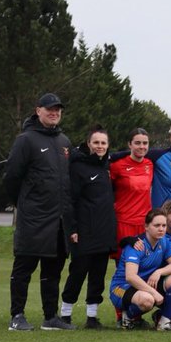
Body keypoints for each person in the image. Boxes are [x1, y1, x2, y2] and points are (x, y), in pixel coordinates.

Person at [4, 93, 72, 331]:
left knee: (53, 271)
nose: (54, 112)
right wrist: (25, 204)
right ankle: (17, 316)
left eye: (58, 109)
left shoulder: (64, 141)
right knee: (24, 269)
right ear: (38, 111)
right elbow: (11, 178)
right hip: (33, 219)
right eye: (49, 109)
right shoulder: (26, 140)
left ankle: (50, 317)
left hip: (58, 221)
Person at [59, 125, 117, 329]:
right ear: (89, 143)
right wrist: (72, 229)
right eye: (96, 142)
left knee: (98, 276)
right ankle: (65, 314)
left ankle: (92, 317)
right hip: (83, 232)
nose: (100, 146)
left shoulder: (107, 166)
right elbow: (70, 201)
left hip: (104, 232)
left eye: (103, 143)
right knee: (78, 273)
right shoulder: (77, 166)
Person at [109, 128, 154, 255]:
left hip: (145, 223)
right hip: (124, 223)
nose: (142, 146)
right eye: (137, 143)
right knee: (124, 263)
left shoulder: (150, 164)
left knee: (145, 263)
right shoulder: (117, 166)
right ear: (130, 144)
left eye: (145, 143)